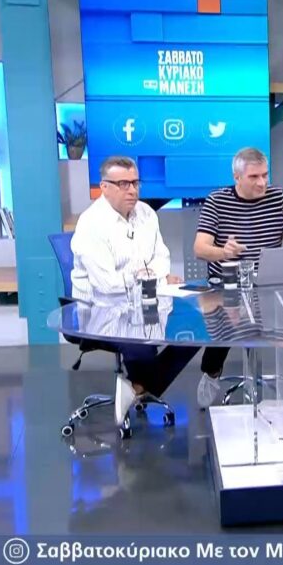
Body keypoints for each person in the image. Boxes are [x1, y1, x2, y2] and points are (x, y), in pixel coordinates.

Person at [70, 155, 199, 425]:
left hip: (145, 302)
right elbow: (107, 285)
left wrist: (150, 275)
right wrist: (148, 276)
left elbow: (162, 259)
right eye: (123, 184)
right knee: (141, 346)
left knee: (196, 330)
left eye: (135, 183)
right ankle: (140, 387)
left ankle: (136, 388)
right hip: (100, 310)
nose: (132, 190)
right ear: (104, 187)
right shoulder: (91, 223)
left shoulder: (147, 214)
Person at [192, 147, 283, 408]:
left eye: (265, 175)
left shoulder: (278, 197)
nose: (262, 182)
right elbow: (199, 248)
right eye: (254, 177)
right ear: (237, 177)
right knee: (224, 323)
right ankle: (212, 372)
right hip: (227, 285)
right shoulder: (217, 201)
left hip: (269, 284)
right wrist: (224, 252)